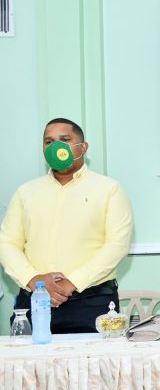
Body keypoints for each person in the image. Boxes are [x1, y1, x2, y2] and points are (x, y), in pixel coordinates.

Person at [0, 118, 133, 333]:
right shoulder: (26, 192)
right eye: (49, 142)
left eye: (65, 139)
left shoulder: (109, 189)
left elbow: (117, 245)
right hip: (33, 303)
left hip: (91, 304)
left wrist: (71, 282)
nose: (56, 147)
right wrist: (33, 279)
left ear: (83, 147)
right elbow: (7, 242)